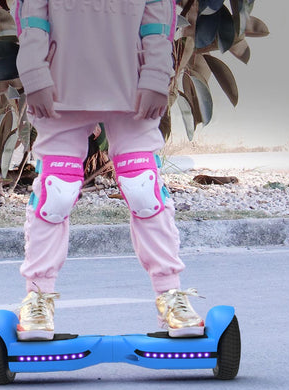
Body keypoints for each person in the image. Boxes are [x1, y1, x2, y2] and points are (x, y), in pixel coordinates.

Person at [13, 0, 204, 341]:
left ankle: (170, 294)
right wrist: (33, 72)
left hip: (130, 88)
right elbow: (32, 16)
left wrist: (158, 75)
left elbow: (158, 17)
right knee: (55, 193)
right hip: (61, 86)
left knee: (143, 188)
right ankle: (38, 297)